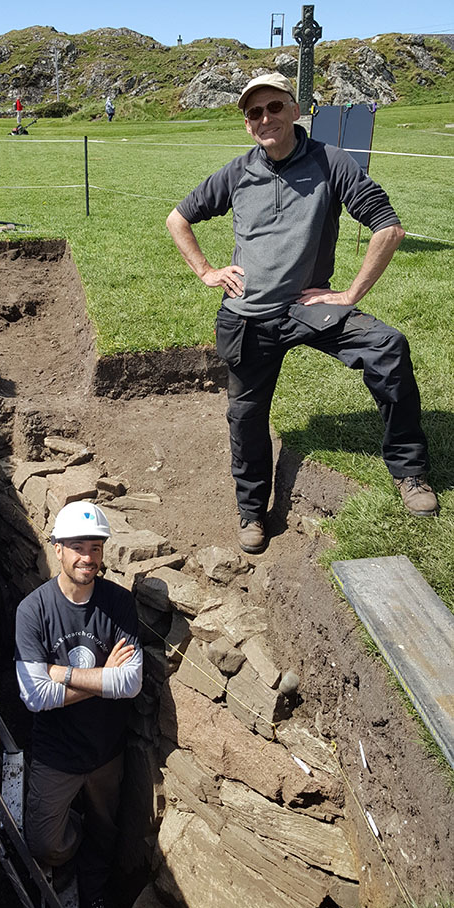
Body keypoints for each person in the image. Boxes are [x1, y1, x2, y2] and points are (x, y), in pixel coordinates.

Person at [166, 72, 438, 554]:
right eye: (254, 113)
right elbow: (178, 218)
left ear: (294, 110)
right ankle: (251, 510)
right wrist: (207, 270)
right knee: (245, 414)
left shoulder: (331, 163)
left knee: (388, 348)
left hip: (309, 307)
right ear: (247, 124)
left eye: (273, 107)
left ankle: (410, 472)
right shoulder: (235, 173)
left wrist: (350, 294)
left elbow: (388, 228)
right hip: (248, 315)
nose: (265, 118)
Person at [15, 500, 142, 908]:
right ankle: (74, 846)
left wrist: (63, 675)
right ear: (57, 549)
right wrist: (102, 675)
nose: (87, 557)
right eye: (77, 547)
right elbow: (34, 696)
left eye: (95, 547)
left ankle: (96, 890)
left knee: (106, 833)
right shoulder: (33, 611)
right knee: (46, 844)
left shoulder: (119, 605)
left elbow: (130, 684)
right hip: (57, 754)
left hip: (106, 752)